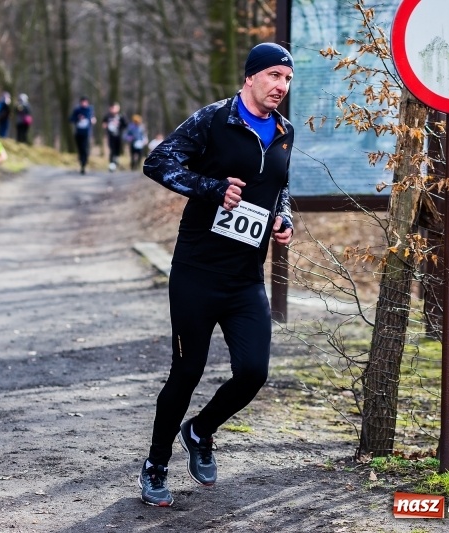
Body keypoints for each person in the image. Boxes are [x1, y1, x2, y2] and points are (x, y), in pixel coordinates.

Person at [138, 42, 295, 507]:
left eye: (287, 79)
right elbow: (158, 162)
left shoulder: (284, 131)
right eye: (273, 75)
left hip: (245, 278)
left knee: (253, 372)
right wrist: (212, 188)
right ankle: (156, 465)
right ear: (250, 77)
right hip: (197, 272)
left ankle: (200, 430)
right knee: (187, 371)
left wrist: (284, 219)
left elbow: (280, 188)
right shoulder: (214, 119)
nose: (281, 86)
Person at [69, 96, 96, 174]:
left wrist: (92, 120)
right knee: (80, 148)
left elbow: (92, 119)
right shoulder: (77, 110)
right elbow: (71, 119)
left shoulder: (90, 110)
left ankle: (84, 163)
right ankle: (82, 162)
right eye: (82, 102)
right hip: (78, 133)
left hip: (86, 133)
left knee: (85, 148)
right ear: (80, 103)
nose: (84, 104)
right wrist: (78, 118)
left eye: (85, 102)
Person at [101, 102, 128, 171]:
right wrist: (105, 125)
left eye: (115, 108)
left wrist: (122, 128)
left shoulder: (121, 116)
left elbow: (125, 124)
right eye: (112, 108)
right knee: (112, 149)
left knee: (117, 149)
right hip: (110, 136)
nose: (113, 109)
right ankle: (112, 164)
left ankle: (116, 160)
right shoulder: (107, 116)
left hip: (118, 136)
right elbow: (103, 123)